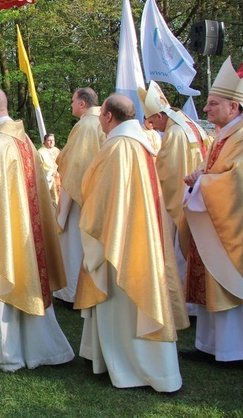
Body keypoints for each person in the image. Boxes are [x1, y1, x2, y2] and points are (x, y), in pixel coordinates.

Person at [0, 88, 74, 371]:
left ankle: (5, 355)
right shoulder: (26, 142)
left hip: (1, 234)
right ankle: (39, 349)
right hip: (27, 233)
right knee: (28, 282)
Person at [76, 94, 188, 392]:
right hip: (140, 232)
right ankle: (140, 366)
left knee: (123, 304)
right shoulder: (141, 143)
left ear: (109, 117)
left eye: (101, 115)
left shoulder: (117, 147)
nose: (99, 119)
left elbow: (100, 201)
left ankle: (128, 368)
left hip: (119, 239)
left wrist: (91, 230)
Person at [183, 57, 243, 362]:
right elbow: (215, 170)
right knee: (216, 281)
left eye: (213, 104)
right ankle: (213, 346)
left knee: (241, 286)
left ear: (233, 108)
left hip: (242, 230)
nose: (207, 109)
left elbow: (239, 184)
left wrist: (202, 184)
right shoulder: (224, 136)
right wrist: (198, 175)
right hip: (218, 224)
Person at [139, 80, 210, 314]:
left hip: (179, 199)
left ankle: (183, 304)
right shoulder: (192, 125)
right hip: (197, 197)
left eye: (152, 121)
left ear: (160, 116)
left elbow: (167, 173)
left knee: (178, 252)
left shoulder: (174, 133)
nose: (154, 127)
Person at [54, 87, 105, 303]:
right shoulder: (102, 122)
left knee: (74, 243)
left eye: (73, 101)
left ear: (82, 103)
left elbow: (76, 164)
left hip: (80, 194)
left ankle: (73, 291)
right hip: (98, 192)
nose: (71, 105)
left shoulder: (85, 126)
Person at [37, 133, 61, 206]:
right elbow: (39, 167)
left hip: (59, 177)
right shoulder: (40, 152)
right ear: (44, 141)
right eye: (49, 140)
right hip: (49, 178)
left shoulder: (57, 150)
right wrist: (50, 173)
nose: (51, 142)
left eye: (53, 140)